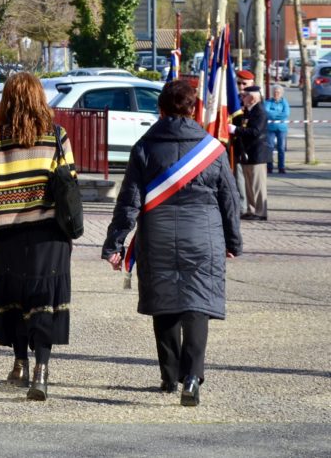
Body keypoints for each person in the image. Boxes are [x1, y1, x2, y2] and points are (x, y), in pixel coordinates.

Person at [102, 78, 242, 407]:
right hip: (204, 235)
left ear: (160, 109)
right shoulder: (213, 149)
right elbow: (230, 200)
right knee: (198, 305)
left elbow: (129, 202)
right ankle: (192, 377)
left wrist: (115, 243)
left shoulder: (144, 147)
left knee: (164, 304)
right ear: (193, 110)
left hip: (157, 235)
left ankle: (169, 374)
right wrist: (233, 240)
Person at [0, 72, 73, 401]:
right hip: (50, 232)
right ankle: (42, 369)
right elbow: (70, 183)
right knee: (45, 299)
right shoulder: (57, 135)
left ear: (8, 100)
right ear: (40, 97)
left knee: (17, 297)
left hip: (9, 233)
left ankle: (19, 363)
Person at [232, 85, 270, 221]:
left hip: (257, 152)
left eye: (244, 96)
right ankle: (251, 209)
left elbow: (255, 131)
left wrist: (235, 130)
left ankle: (260, 212)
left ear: (252, 98)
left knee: (257, 185)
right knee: (249, 184)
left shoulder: (259, 111)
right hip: (248, 152)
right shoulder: (249, 111)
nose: (242, 98)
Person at [263, 84, 290, 175]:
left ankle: (281, 167)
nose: (276, 94)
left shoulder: (284, 102)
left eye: (278, 92)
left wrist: (274, 115)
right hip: (270, 128)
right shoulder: (268, 102)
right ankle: (269, 166)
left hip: (282, 128)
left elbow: (285, 114)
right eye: (274, 92)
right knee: (269, 147)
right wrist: (278, 115)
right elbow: (266, 112)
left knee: (281, 148)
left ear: (281, 93)